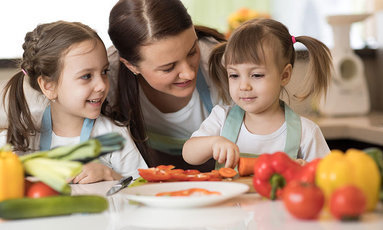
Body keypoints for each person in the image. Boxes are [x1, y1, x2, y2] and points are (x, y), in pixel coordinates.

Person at [0, 21, 147, 183]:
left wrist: (111, 175)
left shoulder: (114, 134)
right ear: (48, 86)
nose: (101, 85)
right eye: (86, 76)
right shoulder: (22, 134)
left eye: (104, 71)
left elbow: (142, 188)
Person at [182, 18, 333, 169]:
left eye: (256, 75)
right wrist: (213, 143)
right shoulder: (222, 118)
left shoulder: (306, 132)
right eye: (234, 75)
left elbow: (326, 177)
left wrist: (305, 170)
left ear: (284, 75)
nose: (244, 86)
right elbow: (188, 154)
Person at [106, 0, 228, 171]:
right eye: (168, 68)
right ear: (131, 66)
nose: (189, 73)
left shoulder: (221, 65)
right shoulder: (107, 77)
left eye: (192, 52)